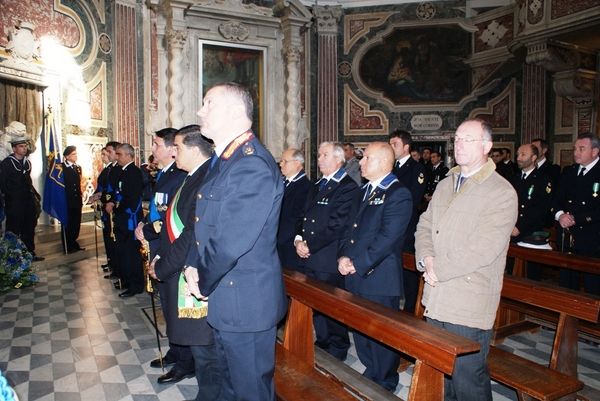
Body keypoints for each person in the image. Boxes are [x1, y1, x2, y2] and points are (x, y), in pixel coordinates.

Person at [183, 82, 287, 401]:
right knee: (229, 388)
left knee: (250, 391)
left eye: (209, 103)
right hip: (228, 298)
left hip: (246, 303)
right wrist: (192, 264)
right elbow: (204, 221)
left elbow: (231, 241)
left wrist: (202, 279)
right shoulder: (226, 159)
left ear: (235, 111)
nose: (200, 110)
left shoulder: (251, 164)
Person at [415, 118, 517, 401]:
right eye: (457, 139)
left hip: (468, 301)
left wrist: (438, 268)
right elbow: (425, 224)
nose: (459, 145)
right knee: (441, 376)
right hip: (436, 295)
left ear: (487, 146)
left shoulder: (501, 192)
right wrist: (426, 258)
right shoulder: (446, 183)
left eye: (467, 139)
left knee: (467, 379)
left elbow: (484, 248)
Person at [149, 125, 221, 400]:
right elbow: (171, 224)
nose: (173, 152)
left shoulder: (205, 178)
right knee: (195, 342)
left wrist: (163, 266)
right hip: (177, 266)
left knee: (204, 348)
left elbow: (191, 234)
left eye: (177, 147)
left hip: (191, 271)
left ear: (192, 149)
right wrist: (160, 256)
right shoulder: (190, 176)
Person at [338, 142, 412, 391]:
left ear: (382, 162)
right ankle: (371, 371)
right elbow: (348, 229)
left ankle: (385, 381)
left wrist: (357, 264)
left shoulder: (397, 193)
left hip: (378, 276)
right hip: (355, 272)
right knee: (361, 330)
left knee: (380, 333)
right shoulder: (364, 191)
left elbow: (387, 239)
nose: (360, 162)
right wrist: (342, 256)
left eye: (366, 158)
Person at [134, 128, 191, 383]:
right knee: (167, 305)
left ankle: (186, 362)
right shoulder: (165, 174)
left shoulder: (180, 177)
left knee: (177, 308)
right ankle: (175, 351)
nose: (153, 149)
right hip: (160, 246)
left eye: (156, 144)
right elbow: (157, 210)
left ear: (171, 149)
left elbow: (170, 216)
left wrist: (146, 230)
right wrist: (144, 224)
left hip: (171, 250)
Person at [295, 141, 359, 360]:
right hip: (309, 255)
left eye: (324, 155)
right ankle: (323, 342)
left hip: (327, 257)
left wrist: (309, 245)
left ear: (338, 159)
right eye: (319, 155)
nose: (319, 159)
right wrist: (298, 240)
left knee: (332, 306)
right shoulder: (317, 184)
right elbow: (303, 216)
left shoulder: (347, 187)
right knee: (316, 304)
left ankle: (338, 346)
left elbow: (337, 225)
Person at [553, 132, 600, 294]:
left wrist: (576, 219)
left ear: (595, 151)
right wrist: (560, 215)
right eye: (575, 149)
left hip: (592, 238)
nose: (576, 153)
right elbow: (556, 198)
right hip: (568, 236)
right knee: (566, 285)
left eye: (581, 149)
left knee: (592, 288)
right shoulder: (570, 171)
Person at [389, 129, 426, 312]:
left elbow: (413, 198)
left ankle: (410, 310)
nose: (391, 147)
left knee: (407, 270)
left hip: (406, 227)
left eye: (394, 144)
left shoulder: (416, 169)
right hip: (390, 226)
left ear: (406, 147)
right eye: (390, 144)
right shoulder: (391, 168)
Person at [0, 128, 44, 261]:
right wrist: (10, 196)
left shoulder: (27, 163)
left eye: (25, 146)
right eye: (21, 146)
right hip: (14, 202)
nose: (24, 149)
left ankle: (29, 253)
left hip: (27, 201)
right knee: (14, 229)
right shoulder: (7, 163)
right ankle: (13, 257)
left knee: (29, 227)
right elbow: (3, 183)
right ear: (14, 148)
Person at [106, 143, 144, 297]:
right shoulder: (123, 171)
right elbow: (118, 192)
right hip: (122, 218)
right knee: (123, 251)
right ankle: (126, 280)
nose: (117, 157)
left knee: (131, 253)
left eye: (120, 154)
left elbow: (131, 198)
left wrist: (116, 207)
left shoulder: (134, 172)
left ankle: (135, 285)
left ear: (129, 155)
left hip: (130, 218)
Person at [277, 148, 310, 272]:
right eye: (281, 161)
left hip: (288, 246)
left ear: (297, 163)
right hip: (277, 243)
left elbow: (298, 218)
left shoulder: (305, 187)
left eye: (285, 161)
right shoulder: (282, 183)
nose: (281, 164)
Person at [91, 141, 120, 272]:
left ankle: (115, 264)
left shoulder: (116, 169)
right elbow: (102, 187)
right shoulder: (108, 170)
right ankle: (111, 261)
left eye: (108, 152)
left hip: (112, 207)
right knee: (108, 236)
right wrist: (97, 195)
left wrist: (102, 196)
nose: (106, 155)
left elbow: (113, 190)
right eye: (104, 153)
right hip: (105, 205)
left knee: (112, 237)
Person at [61, 145, 84, 253]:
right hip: (67, 200)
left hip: (76, 200)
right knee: (68, 223)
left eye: (76, 154)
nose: (76, 156)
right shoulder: (61, 168)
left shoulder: (78, 167)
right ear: (66, 156)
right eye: (73, 154)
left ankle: (74, 242)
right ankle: (68, 245)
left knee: (76, 223)